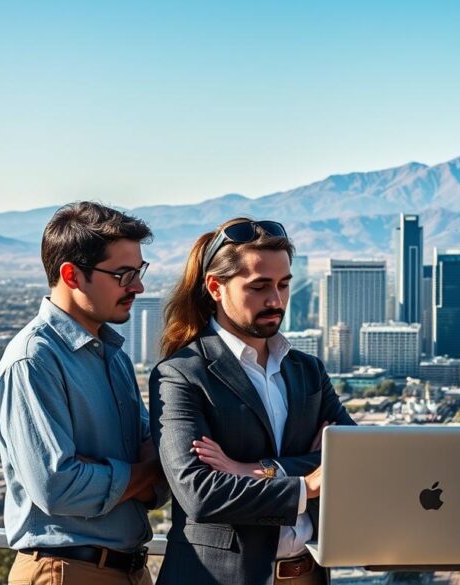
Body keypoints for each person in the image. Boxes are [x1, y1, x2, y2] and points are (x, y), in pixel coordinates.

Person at [151, 218, 355, 585]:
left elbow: (354, 457)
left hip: (308, 575)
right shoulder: (182, 373)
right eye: (259, 287)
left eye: (283, 285)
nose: (276, 300)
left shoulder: (307, 370)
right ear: (216, 287)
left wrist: (253, 469)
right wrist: (305, 485)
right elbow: (200, 494)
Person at [0, 201, 168, 585]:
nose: (138, 286)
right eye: (123, 275)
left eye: (139, 272)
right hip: (66, 571)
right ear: (71, 275)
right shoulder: (33, 360)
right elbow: (58, 487)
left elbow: (158, 470)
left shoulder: (112, 355)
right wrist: (148, 468)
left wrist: (112, 474)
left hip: (129, 569)